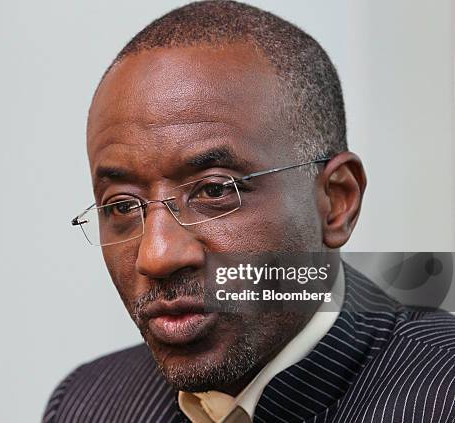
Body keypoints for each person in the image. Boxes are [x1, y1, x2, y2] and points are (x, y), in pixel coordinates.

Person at [44, 1, 455, 422]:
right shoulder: (87, 403)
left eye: (214, 190)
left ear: (336, 201)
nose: (157, 255)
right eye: (122, 205)